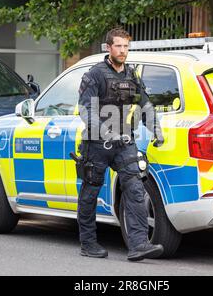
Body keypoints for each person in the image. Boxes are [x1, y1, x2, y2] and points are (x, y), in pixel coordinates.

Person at [76, 28, 164, 261]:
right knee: (90, 193)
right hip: (96, 144)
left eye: (126, 46)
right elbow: (86, 110)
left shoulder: (131, 75)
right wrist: (105, 133)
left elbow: (145, 105)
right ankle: (88, 243)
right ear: (108, 48)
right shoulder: (94, 75)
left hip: (124, 142)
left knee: (135, 189)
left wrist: (156, 129)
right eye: (118, 46)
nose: (123, 51)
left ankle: (139, 245)